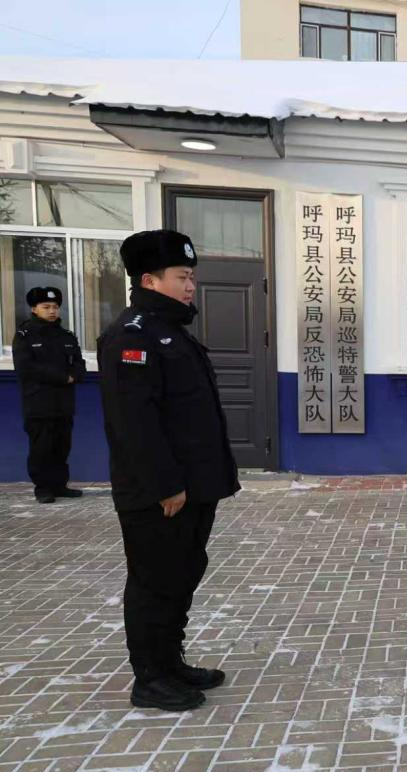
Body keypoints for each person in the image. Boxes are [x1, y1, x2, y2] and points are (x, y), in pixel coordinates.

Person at [99, 229, 240, 712]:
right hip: (161, 493)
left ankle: (170, 662)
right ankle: (150, 678)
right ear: (149, 280)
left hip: (192, 488)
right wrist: (165, 485)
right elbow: (134, 422)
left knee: (182, 573)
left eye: (191, 277)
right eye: (182, 277)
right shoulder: (131, 336)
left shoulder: (171, 331)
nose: (190, 286)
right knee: (154, 582)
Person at [12, 286, 86, 503]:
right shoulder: (25, 335)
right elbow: (26, 368)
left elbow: (79, 363)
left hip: (63, 404)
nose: (52, 311)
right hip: (38, 403)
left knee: (62, 446)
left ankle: (59, 485)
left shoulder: (66, 336)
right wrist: (63, 377)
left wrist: (75, 375)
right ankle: (43, 488)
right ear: (34, 309)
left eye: (55, 307)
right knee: (41, 447)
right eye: (46, 307)